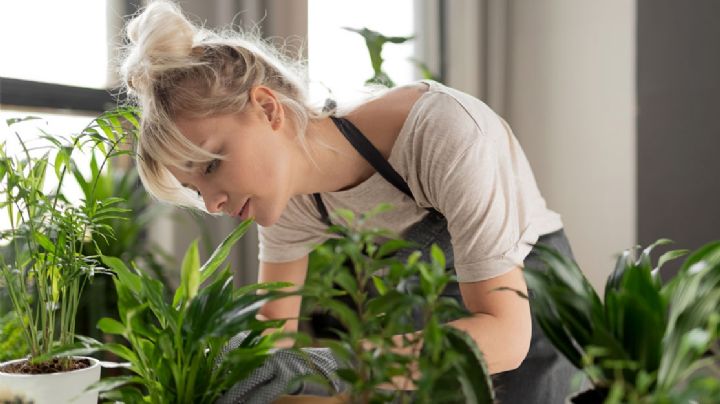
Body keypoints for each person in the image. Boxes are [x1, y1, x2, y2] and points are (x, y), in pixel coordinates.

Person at [121, 1, 579, 403]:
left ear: (266, 108)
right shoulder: (289, 201)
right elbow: (274, 337)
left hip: (527, 315)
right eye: (197, 191)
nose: (214, 204)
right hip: (430, 319)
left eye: (211, 165)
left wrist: (318, 365)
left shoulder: (443, 134)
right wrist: (225, 369)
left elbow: (505, 335)